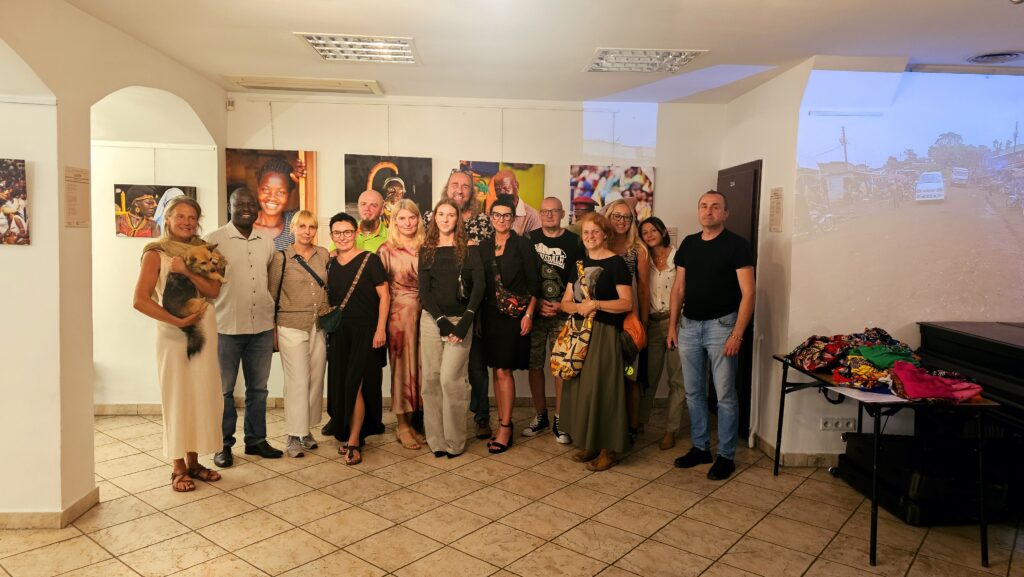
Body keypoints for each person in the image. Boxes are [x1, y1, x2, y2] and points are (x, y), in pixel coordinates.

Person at [132, 196, 223, 491]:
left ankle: (194, 462)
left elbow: (213, 291)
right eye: (180, 216)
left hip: (203, 330)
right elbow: (140, 300)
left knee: (200, 394)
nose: (186, 222)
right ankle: (178, 466)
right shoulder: (155, 253)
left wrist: (185, 271)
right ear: (167, 219)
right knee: (176, 396)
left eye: (192, 217)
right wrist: (178, 322)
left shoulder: (203, 250)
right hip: (172, 333)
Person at [667, 190, 755, 481]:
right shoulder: (689, 244)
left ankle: (726, 455)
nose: (708, 211)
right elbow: (679, 288)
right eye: (704, 206)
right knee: (693, 393)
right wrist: (672, 326)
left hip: (722, 327)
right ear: (698, 211)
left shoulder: (737, 245)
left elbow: (749, 293)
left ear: (725, 213)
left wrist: (737, 334)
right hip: (689, 326)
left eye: (715, 207)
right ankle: (701, 447)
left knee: (725, 396)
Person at [206, 188, 282, 467]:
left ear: (257, 209)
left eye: (251, 204)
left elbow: (270, 280)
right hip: (225, 327)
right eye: (240, 204)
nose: (246, 209)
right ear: (230, 207)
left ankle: (256, 440)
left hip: (261, 326)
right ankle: (222, 445)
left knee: (258, 390)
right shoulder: (213, 240)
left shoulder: (267, 242)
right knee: (224, 392)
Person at [560, 212, 633, 471]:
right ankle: (590, 443)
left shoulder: (617, 264)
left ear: (605, 235)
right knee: (582, 389)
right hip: (580, 334)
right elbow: (565, 302)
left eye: (595, 232)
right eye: (586, 232)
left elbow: (626, 303)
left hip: (604, 334)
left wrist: (596, 305)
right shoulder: (579, 264)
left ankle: (608, 450)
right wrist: (578, 307)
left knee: (604, 389)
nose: (590, 236)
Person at [424, 169, 493, 439]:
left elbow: (483, 268)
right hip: (438, 309)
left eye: (465, 186)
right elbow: (426, 273)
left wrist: (469, 315)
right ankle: (438, 429)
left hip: (473, 305)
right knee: (436, 374)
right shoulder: (431, 219)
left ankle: (480, 417)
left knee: (474, 366)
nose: (460, 190)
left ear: (472, 192)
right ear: (447, 188)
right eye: (455, 185)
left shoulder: (483, 221)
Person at [418, 198, 485, 457]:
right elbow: (424, 291)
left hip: (460, 322)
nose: (445, 219)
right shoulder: (426, 249)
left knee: (450, 379)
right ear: (434, 218)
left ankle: (455, 441)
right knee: (431, 380)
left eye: (450, 215)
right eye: (441, 214)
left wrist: (464, 322)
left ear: (458, 219)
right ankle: (436, 440)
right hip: (432, 321)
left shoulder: (470, 248)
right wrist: (440, 321)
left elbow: (479, 287)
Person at [325, 212, 389, 465]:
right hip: (339, 333)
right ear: (331, 235)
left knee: (357, 385)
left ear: (356, 233)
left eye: (347, 232)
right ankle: (349, 432)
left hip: (366, 332)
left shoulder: (370, 260)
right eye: (337, 233)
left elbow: (385, 296)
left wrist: (381, 329)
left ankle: (354, 440)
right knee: (342, 385)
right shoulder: (330, 264)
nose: (343, 237)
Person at [478, 195, 539, 453]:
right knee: (496, 369)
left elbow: (534, 283)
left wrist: (529, 315)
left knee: (504, 370)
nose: (501, 219)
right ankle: (504, 422)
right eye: (497, 215)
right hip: (490, 316)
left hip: (514, 316)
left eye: (506, 215)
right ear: (490, 218)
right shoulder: (483, 246)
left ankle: (505, 427)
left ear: (513, 218)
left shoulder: (523, 245)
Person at [268, 210, 329, 458]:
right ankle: (293, 435)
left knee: (315, 380)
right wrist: (272, 330)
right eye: (302, 226)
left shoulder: (323, 254)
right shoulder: (281, 257)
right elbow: (271, 295)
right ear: (292, 228)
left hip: (319, 324)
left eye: (311, 227)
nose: (307, 231)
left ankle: (306, 430)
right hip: (290, 325)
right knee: (298, 381)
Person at [523, 197, 581, 444]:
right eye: (545, 211)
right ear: (540, 213)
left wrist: (563, 304)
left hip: (563, 312)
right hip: (535, 312)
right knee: (534, 364)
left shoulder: (574, 242)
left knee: (560, 367)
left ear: (562, 214)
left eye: (554, 211)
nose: (549, 215)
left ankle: (560, 420)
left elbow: (579, 278)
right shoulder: (529, 239)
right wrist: (535, 304)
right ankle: (540, 416)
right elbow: (523, 274)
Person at [378, 199, 426, 450]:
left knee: (422, 369)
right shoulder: (386, 250)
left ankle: (416, 422)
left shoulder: (427, 246)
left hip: (427, 316)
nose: (408, 223)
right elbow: (381, 292)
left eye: (412, 217)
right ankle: (402, 425)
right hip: (398, 318)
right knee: (401, 371)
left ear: (418, 219)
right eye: (402, 218)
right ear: (394, 221)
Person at [640, 216, 685, 451]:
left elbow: (684, 290)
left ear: (663, 231)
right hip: (651, 323)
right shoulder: (642, 259)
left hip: (676, 322)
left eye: (653, 230)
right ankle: (639, 423)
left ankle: (671, 430)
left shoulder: (679, 256)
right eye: (644, 232)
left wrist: (673, 325)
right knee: (647, 377)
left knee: (677, 379)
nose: (649, 235)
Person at [606, 199, 650, 441]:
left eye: (627, 217)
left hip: (629, 322)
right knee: (607, 376)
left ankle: (631, 428)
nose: (622, 221)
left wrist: (643, 322)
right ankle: (609, 428)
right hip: (603, 320)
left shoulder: (637, 250)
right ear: (608, 218)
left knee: (630, 375)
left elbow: (643, 289)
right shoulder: (599, 244)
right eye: (617, 216)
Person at [252, 157, 300, 250]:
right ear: (258, 189)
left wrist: (303, 182)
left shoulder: (295, 223)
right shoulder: (245, 225)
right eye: (265, 189)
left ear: (289, 194)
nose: (272, 197)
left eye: (280, 192)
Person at [492, 169, 541, 236]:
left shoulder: (533, 217)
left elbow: (537, 241)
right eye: (498, 189)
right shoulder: (490, 212)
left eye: (507, 189)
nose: (502, 193)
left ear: (517, 186)